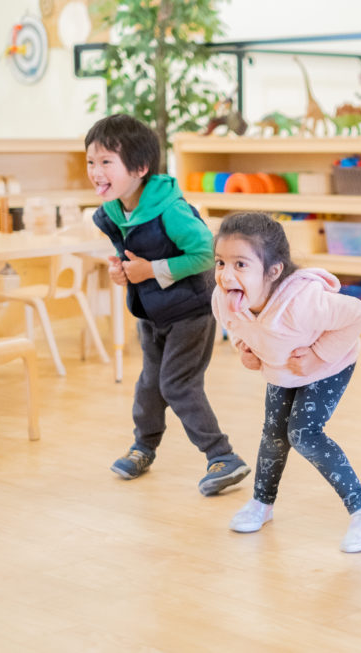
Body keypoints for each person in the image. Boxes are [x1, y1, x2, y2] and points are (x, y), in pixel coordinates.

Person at [85, 114, 250, 494]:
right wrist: (125, 272)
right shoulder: (113, 210)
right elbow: (128, 258)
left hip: (191, 311)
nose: (96, 171)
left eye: (107, 162)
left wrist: (151, 269)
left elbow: (207, 255)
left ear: (140, 168)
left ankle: (222, 456)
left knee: (177, 384)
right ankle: (143, 447)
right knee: (149, 384)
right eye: (92, 162)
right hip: (153, 311)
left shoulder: (170, 210)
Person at [211, 212, 361, 553]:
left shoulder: (304, 303)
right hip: (283, 367)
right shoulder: (225, 297)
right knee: (274, 433)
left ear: (273, 271)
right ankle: (262, 503)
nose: (226, 274)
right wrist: (243, 349)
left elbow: (356, 314)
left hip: (330, 365)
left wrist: (318, 354)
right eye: (220, 262)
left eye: (240, 264)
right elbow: (235, 326)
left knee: (303, 433)